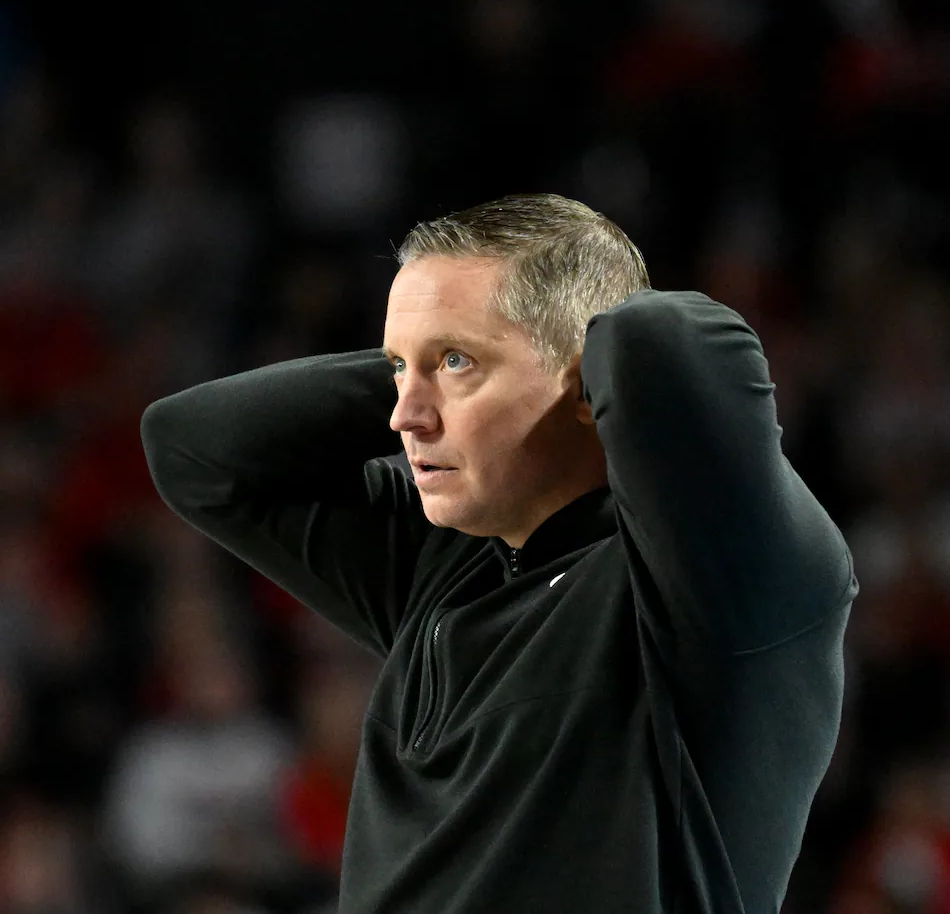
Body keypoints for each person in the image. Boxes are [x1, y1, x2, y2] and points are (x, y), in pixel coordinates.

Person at [141, 194, 858, 913]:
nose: (402, 417)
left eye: (456, 363)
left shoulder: (716, 586)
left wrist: (523, 351)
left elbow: (658, 339)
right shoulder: (444, 564)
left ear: (585, 384)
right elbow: (193, 450)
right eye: (397, 370)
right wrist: (441, 357)